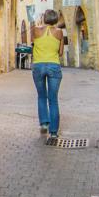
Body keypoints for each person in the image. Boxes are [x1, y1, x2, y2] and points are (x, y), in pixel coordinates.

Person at [31, 9, 64, 138]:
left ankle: (44, 123)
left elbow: (33, 45)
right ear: (55, 19)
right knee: (53, 99)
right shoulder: (59, 32)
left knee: (41, 96)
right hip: (53, 65)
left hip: (38, 65)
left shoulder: (35, 30)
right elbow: (60, 53)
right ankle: (54, 132)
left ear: (44, 18)